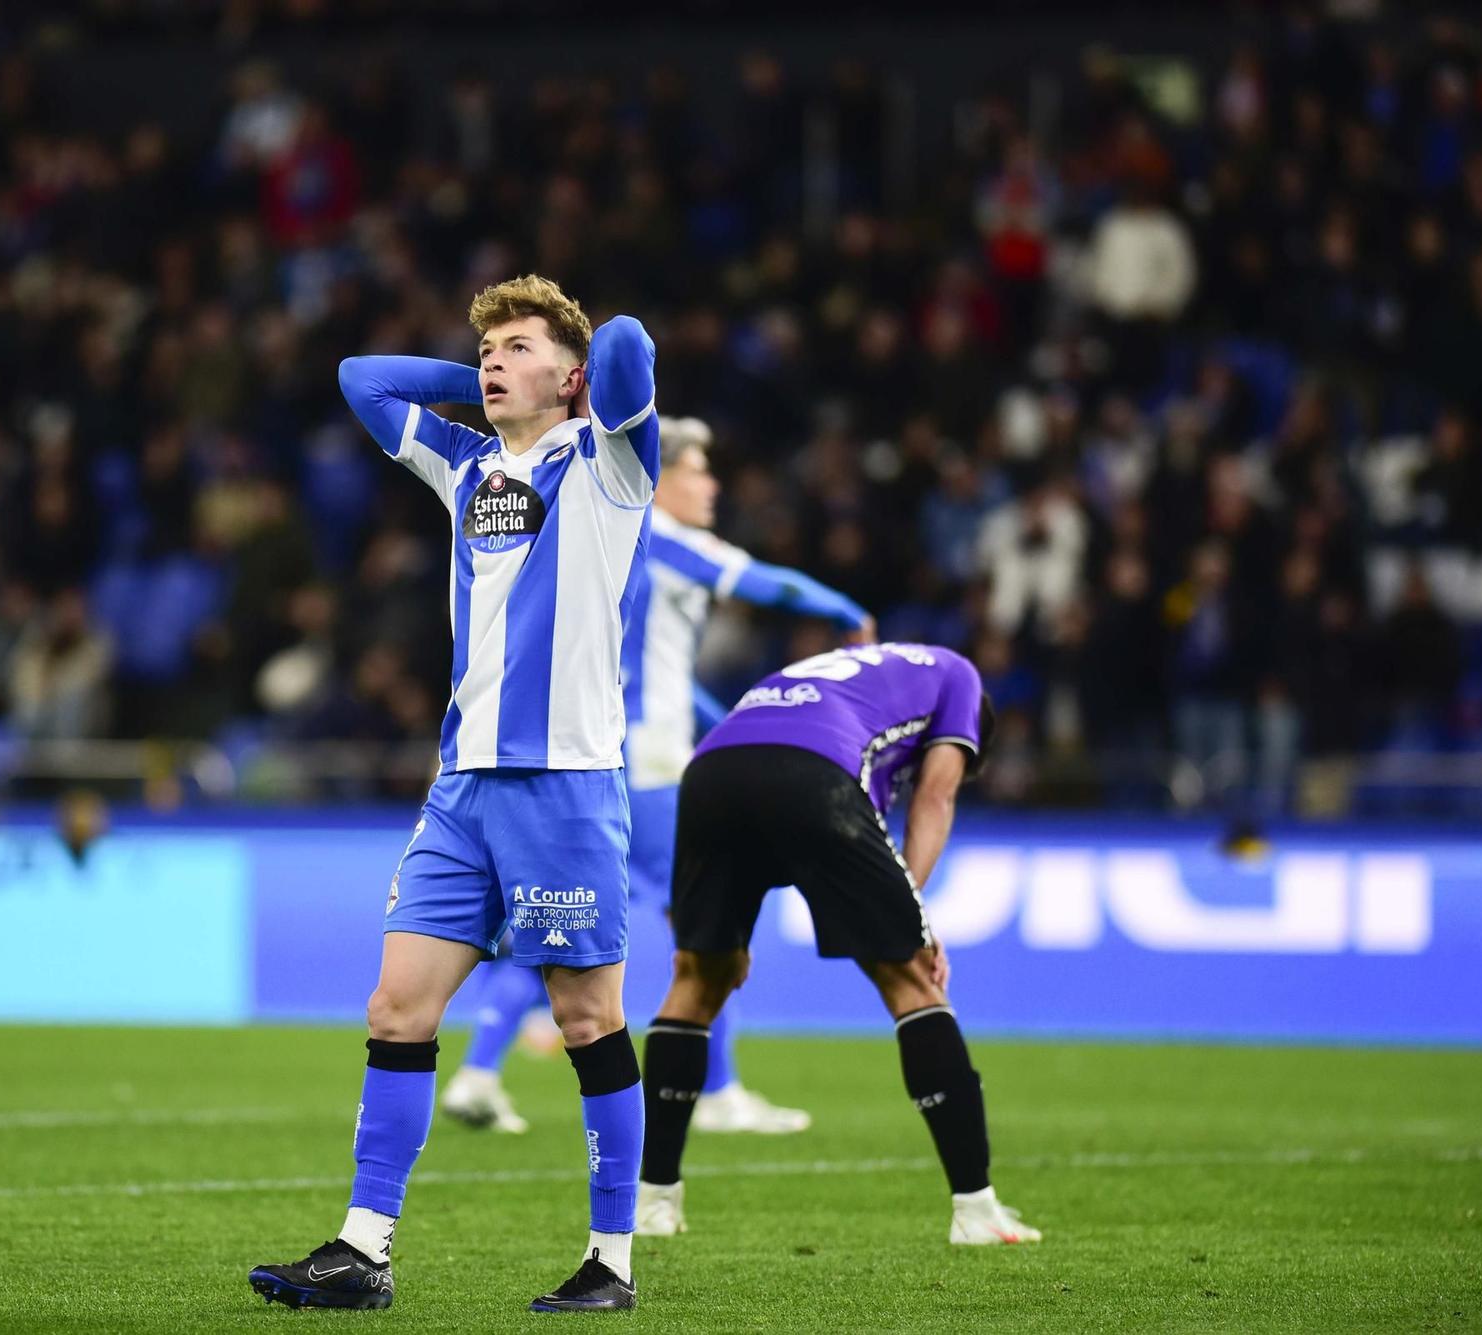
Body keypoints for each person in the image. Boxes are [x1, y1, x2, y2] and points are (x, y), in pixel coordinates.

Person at [249, 275, 658, 1313]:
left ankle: (611, 1261)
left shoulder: (610, 460)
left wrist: (565, 371)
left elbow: (624, 342)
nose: (491, 361)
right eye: (486, 349)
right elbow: (359, 378)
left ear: (567, 378)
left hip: (563, 785)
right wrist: (484, 387)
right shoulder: (466, 461)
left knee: (584, 1018)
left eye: (515, 348)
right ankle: (361, 1250)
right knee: (396, 1009)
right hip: (461, 786)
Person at [441, 416, 874, 1137]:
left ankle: (479, 1072)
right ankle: (720, 1090)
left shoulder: (620, 540)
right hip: (649, 769)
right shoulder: (665, 537)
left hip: (611, 756)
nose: (712, 485)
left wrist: (728, 719)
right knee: (708, 921)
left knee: (555, 917)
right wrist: (846, 609)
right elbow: (767, 584)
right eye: (698, 470)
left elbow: (656, 673)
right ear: (662, 475)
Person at [634, 641, 1042, 1246]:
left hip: (712, 772)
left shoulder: (851, 676)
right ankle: (976, 1210)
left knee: (698, 978)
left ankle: (652, 1204)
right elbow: (936, 795)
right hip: (811, 772)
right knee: (912, 977)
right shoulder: (960, 676)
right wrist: (916, 919)